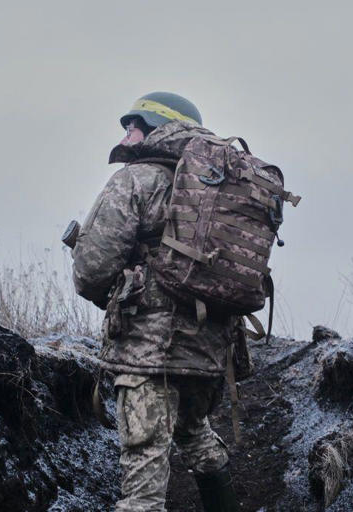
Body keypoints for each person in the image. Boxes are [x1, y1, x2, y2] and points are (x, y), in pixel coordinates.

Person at [72, 91, 240, 512]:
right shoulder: (221, 182)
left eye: (136, 124)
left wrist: (109, 297)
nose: (127, 133)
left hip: (148, 350)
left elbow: (92, 268)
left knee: (144, 462)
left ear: (159, 127)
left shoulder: (136, 178)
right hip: (208, 352)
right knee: (194, 432)